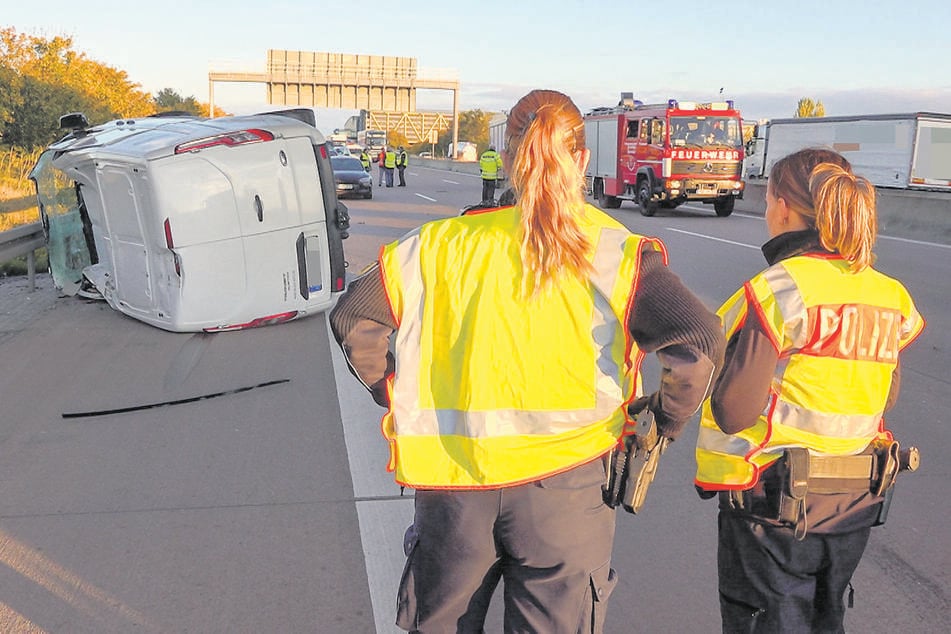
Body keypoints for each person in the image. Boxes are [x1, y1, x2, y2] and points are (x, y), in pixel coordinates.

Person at [329, 89, 724, 633]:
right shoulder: (612, 250)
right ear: (583, 160)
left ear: (509, 158)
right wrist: (661, 421)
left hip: (453, 485)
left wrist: (395, 390)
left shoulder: (436, 245)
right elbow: (700, 341)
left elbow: (354, 320)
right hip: (567, 490)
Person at [694, 148, 925, 632]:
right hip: (855, 503)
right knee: (826, 619)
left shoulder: (780, 287)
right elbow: (884, 397)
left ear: (781, 207)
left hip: (777, 507)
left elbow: (734, 411)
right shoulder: (888, 294)